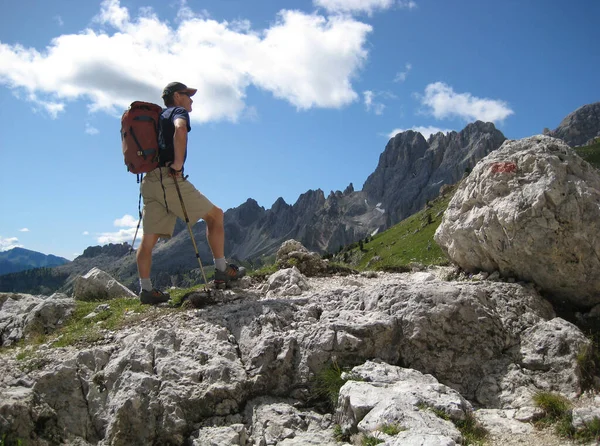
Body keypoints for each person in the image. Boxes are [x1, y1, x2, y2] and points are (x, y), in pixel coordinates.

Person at [136, 81, 245, 304]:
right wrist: (177, 163)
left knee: (148, 240)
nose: (191, 99)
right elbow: (180, 129)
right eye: (188, 95)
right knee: (215, 215)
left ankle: (146, 290)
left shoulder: (158, 119)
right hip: (169, 179)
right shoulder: (177, 112)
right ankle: (222, 270)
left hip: (149, 182)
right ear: (177, 96)